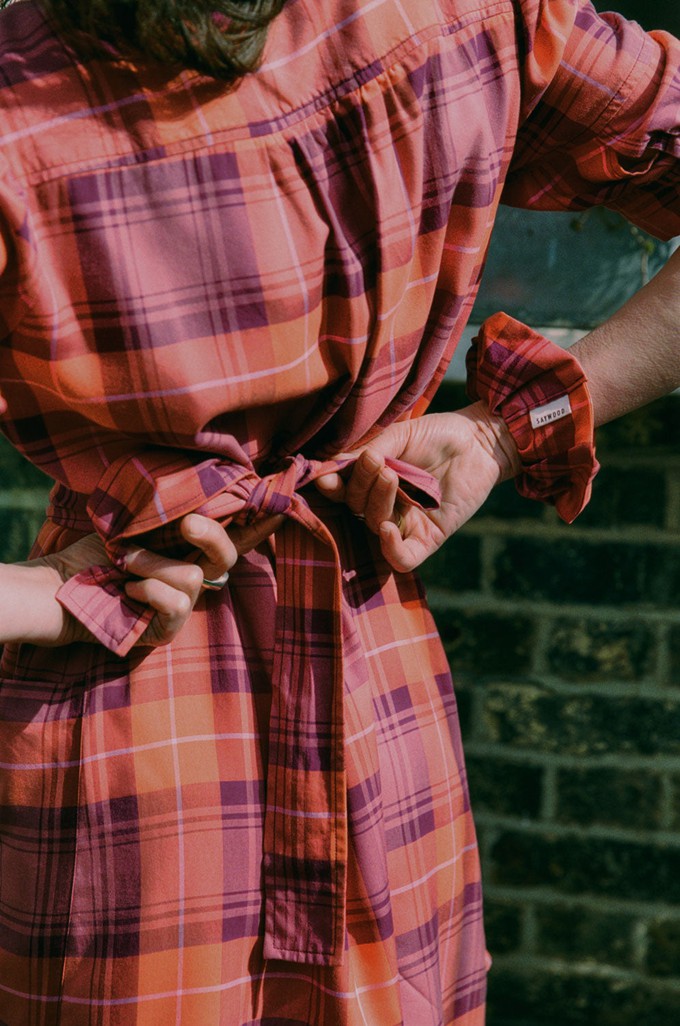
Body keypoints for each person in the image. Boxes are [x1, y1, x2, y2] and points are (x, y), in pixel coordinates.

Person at [0, 0, 677, 1023]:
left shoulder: (20, 101)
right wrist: (505, 426)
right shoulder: (465, 15)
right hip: (380, 705)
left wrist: (39, 594)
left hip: (128, 723)